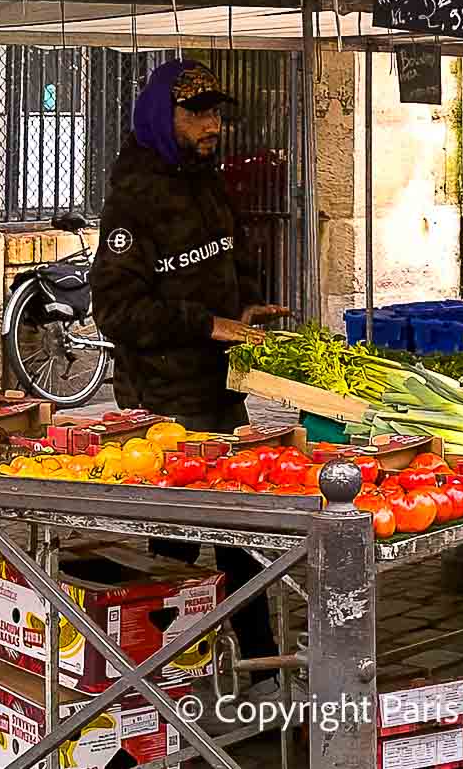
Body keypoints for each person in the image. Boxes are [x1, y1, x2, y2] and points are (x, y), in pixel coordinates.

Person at [91, 59, 286, 677]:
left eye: (215, 113)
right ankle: (167, 677)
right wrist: (206, 324)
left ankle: (252, 663)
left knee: (236, 536)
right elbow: (116, 308)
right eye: (197, 113)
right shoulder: (135, 194)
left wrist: (246, 306)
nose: (213, 126)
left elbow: (231, 258)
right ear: (160, 117)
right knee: (182, 547)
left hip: (220, 389)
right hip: (166, 401)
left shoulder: (207, 179)